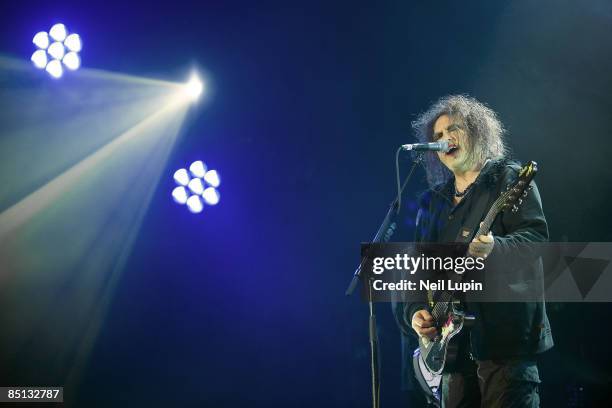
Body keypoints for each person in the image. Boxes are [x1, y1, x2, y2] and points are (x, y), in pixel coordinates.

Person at [393, 95, 553, 407]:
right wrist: (415, 314)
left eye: (454, 129)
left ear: (478, 133)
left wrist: (497, 248)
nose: (445, 139)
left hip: (504, 350)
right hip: (452, 358)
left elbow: (537, 243)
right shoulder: (431, 203)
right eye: (437, 136)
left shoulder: (509, 180)